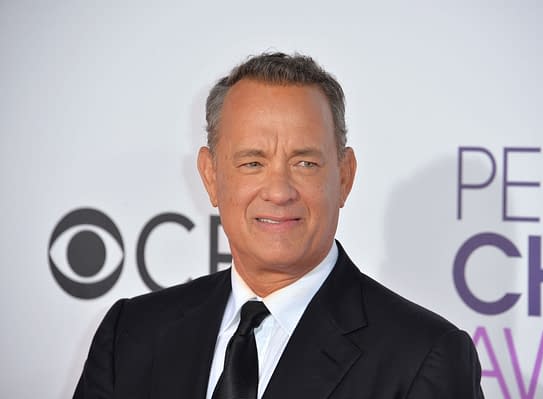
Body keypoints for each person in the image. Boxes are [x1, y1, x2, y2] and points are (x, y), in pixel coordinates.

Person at [74, 52, 485, 399]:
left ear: (344, 177)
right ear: (211, 176)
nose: (279, 190)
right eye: (252, 162)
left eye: (305, 163)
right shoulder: (131, 333)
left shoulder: (424, 356)